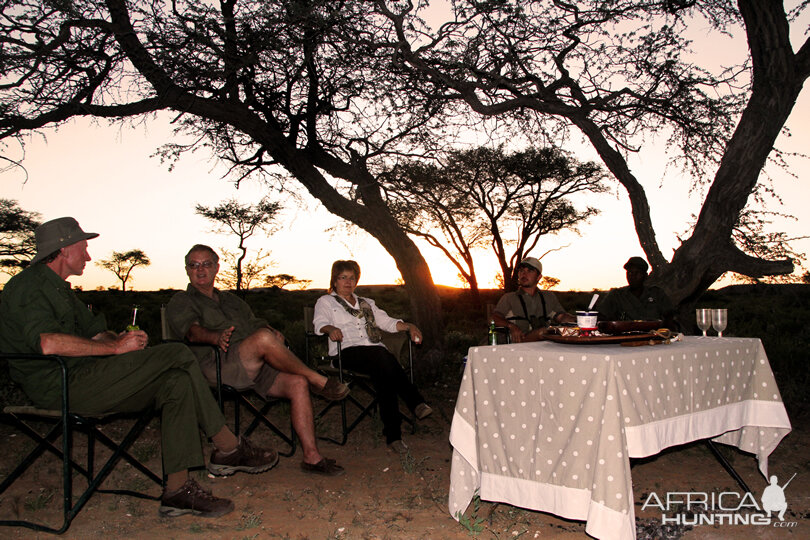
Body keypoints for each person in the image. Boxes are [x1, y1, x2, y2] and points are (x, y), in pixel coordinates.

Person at [0, 218, 278, 519]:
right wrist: (114, 349)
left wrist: (121, 339)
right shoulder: (28, 287)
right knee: (177, 352)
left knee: (175, 382)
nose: (89, 256)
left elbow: (97, 334)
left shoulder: (62, 291)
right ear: (65, 249)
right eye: (84, 248)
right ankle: (227, 445)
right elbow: (48, 344)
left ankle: (178, 490)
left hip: (86, 377)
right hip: (58, 384)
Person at [166, 244, 346, 476]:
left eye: (206, 264)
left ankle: (312, 457)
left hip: (254, 364)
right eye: (194, 265)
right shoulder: (182, 301)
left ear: (217, 268)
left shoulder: (232, 300)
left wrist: (272, 331)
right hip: (216, 365)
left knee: (296, 383)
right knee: (264, 339)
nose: (200, 270)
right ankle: (318, 380)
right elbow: (191, 332)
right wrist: (215, 337)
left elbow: (255, 323)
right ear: (187, 270)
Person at [313, 260, 432, 454]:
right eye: (343, 277)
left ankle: (394, 437)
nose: (348, 282)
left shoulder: (366, 303)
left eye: (352, 278)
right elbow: (319, 323)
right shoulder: (325, 302)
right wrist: (330, 328)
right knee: (382, 356)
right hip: (346, 352)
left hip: (376, 356)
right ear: (334, 281)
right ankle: (415, 402)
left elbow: (387, 322)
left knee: (383, 370)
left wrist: (408, 326)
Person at [492, 257, 576, 343]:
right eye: (521, 271)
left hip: (544, 345)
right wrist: (511, 326)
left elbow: (561, 317)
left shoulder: (548, 297)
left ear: (539, 277)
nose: (524, 274)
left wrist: (578, 319)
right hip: (517, 344)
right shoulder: (509, 297)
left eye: (530, 271)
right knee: (543, 332)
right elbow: (495, 318)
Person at [596, 256, 678, 329]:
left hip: (653, 338)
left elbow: (670, 316)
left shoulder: (657, 294)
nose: (632, 276)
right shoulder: (616, 295)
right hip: (624, 340)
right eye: (630, 273)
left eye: (637, 273)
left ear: (645, 276)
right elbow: (601, 318)